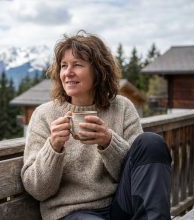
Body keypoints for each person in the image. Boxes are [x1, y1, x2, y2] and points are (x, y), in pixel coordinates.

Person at [21, 31, 172, 220]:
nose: (68, 73)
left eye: (77, 65)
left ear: (98, 71)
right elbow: (38, 190)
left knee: (152, 142)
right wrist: (53, 147)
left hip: (118, 207)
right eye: (64, 66)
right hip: (71, 214)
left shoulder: (122, 107)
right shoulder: (44, 115)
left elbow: (136, 175)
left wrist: (109, 142)